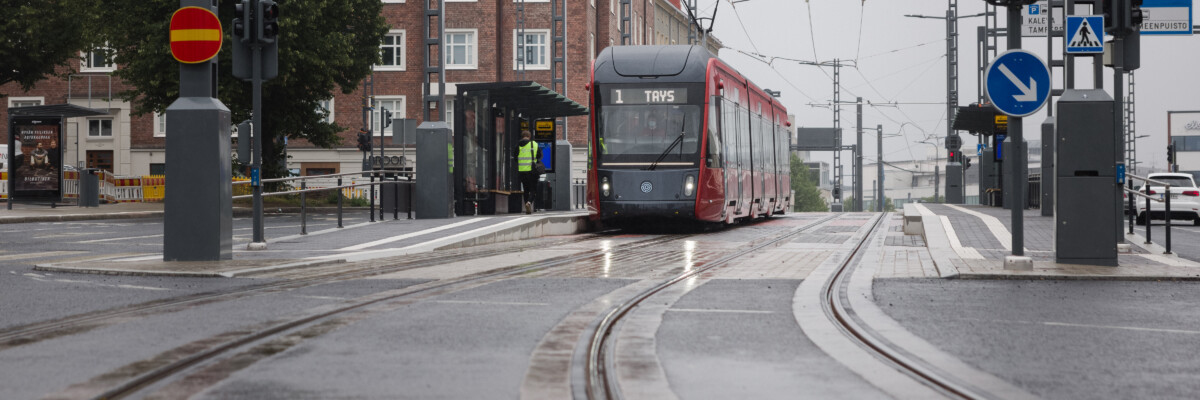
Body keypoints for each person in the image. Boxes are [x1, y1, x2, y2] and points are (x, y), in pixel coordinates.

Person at [514, 130, 541, 214]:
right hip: (532, 171)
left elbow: (515, 157)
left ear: (522, 136)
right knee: (533, 189)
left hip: (522, 171)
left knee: (526, 189)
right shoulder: (534, 144)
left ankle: (526, 205)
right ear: (529, 137)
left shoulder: (518, 145)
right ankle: (529, 202)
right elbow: (539, 155)